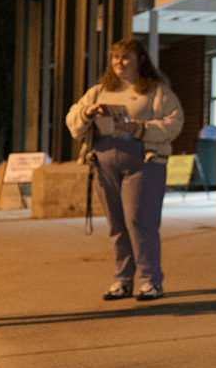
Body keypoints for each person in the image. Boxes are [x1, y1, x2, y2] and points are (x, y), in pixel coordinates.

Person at [65, 37, 185, 302]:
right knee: (117, 224)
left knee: (139, 221)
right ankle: (122, 280)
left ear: (140, 60)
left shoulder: (156, 91)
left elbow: (174, 122)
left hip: (143, 163)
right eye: (116, 57)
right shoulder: (98, 91)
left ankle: (151, 281)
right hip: (104, 163)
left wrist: (140, 128)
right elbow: (73, 118)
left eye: (126, 57)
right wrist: (88, 112)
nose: (120, 62)